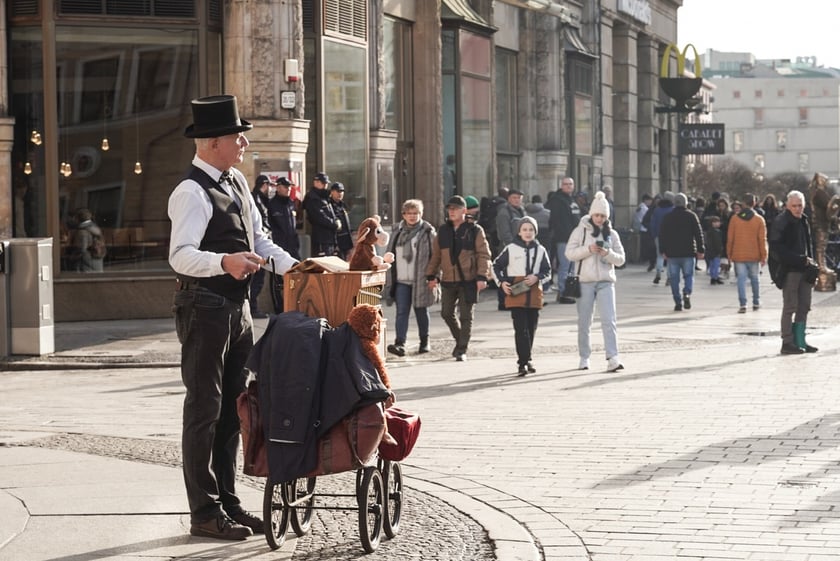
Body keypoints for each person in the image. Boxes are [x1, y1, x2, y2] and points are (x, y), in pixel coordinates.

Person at [168, 95, 298, 541]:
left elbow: (260, 240)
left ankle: (226, 501)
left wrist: (300, 270)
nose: (244, 141)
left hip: (237, 308)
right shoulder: (190, 191)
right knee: (203, 409)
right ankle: (203, 511)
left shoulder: (238, 181)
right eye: (235, 135)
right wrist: (223, 262)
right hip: (203, 306)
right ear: (211, 142)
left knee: (230, 411)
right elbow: (180, 256)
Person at [565, 191, 626, 372]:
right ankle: (584, 357)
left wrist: (607, 254)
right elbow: (569, 253)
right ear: (592, 214)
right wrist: (588, 249)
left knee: (609, 319)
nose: (599, 219)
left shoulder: (612, 234)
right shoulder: (580, 231)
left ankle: (613, 357)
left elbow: (621, 259)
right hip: (584, 281)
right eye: (597, 215)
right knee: (584, 321)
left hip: (606, 281)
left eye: (603, 216)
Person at [425, 195, 492, 362]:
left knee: (466, 316)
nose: (451, 212)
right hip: (448, 279)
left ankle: (461, 349)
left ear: (464, 210)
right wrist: (431, 275)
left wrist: (482, 276)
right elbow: (437, 255)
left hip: (468, 279)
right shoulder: (443, 230)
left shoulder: (475, 230)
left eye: (455, 209)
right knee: (446, 313)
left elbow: (484, 255)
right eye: (449, 209)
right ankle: (460, 340)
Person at [493, 216, 552, 376]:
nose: (528, 232)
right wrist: (502, 283)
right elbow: (496, 266)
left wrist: (537, 277)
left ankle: (528, 358)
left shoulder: (541, 250)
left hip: (534, 294)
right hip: (516, 293)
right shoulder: (511, 248)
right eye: (524, 229)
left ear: (535, 232)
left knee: (531, 328)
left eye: (531, 230)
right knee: (521, 329)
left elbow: (548, 272)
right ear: (519, 231)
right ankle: (522, 363)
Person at [384, 199, 438, 356]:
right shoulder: (397, 231)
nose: (413, 216)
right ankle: (400, 343)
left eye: (416, 213)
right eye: (410, 213)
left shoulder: (428, 232)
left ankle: (424, 341)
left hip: (421, 279)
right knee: (401, 311)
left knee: (421, 310)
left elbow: (435, 257)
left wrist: (434, 276)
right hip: (401, 280)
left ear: (421, 214)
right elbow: (390, 253)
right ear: (404, 215)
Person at [768, 190, 819, 354]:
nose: (797, 209)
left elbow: (809, 244)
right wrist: (798, 259)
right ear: (787, 206)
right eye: (794, 206)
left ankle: (800, 340)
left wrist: (812, 264)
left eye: (800, 205)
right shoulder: (781, 221)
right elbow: (776, 249)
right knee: (790, 306)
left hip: (805, 269)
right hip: (790, 270)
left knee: (804, 306)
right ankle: (787, 342)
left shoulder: (804, 220)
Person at [659, 193, 705, 312]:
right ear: (686, 203)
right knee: (689, 275)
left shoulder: (668, 217)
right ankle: (687, 292)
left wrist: (662, 250)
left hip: (672, 253)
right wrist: (701, 249)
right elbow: (698, 234)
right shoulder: (692, 216)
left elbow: (662, 235)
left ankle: (678, 302)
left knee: (674, 279)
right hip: (688, 251)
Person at [726, 193, 768, 313]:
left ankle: (743, 304)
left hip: (738, 254)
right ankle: (756, 301)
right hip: (754, 254)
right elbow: (762, 239)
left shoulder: (735, 219)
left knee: (741, 279)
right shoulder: (759, 220)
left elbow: (730, 238)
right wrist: (764, 255)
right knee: (755, 278)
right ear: (754, 203)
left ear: (743, 203)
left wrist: (729, 253)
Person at [546, 177, 581, 303]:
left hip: (574, 239)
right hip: (564, 239)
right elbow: (556, 221)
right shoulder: (557, 200)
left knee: (572, 268)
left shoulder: (572, 200)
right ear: (561, 185)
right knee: (565, 267)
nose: (568, 186)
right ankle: (563, 293)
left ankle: (569, 292)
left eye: (570, 184)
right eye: (565, 184)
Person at [248, 175, 274, 318]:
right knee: (257, 279)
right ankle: (252, 307)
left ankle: (253, 306)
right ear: (263, 185)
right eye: (268, 185)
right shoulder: (256, 199)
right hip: (257, 246)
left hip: (262, 243)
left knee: (259, 279)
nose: (269, 188)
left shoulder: (263, 200)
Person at [302, 171, 340, 256]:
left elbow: (331, 213)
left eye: (326, 183)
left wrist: (336, 220)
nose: (326, 186)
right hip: (320, 239)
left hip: (329, 238)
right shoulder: (312, 198)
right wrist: (334, 224)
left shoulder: (324, 197)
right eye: (324, 183)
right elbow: (319, 217)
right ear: (316, 183)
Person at [649, 191, 675, 284]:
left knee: (659, 255)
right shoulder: (673, 209)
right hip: (671, 236)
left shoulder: (657, 209)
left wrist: (654, 234)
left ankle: (658, 273)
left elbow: (653, 223)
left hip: (659, 235)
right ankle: (669, 277)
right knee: (670, 257)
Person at [808, 172, 832, 273]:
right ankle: (821, 266)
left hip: (822, 222)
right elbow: (829, 205)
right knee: (821, 247)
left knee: (822, 246)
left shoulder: (818, 192)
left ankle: (822, 265)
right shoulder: (819, 193)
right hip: (821, 223)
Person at [69, 208, 105, 273]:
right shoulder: (96, 228)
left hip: (86, 264)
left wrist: (71, 257)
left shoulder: (82, 231)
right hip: (97, 260)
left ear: (78, 218)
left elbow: (81, 249)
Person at [329, 182, 354, 260]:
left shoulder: (343, 205)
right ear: (332, 192)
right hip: (335, 241)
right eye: (338, 191)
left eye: (342, 191)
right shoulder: (329, 205)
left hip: (345, 241)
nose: (340, 193)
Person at [704, 215, 724, 285]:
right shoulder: (714, 232)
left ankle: (714, 277)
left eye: (718, 222)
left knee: (713, 265)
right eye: (715, 222)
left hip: (711, 251)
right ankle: (714, 278)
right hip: (715, 251)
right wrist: (720, 249)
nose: (717, 223)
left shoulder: (712, 231)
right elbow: (717, 242)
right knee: (715, 265)